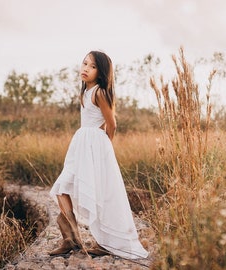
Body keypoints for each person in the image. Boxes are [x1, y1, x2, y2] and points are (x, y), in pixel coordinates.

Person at [49, 51, 148, 260]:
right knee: (61, 187)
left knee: (102, 193)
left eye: (92, 66)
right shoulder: (85, 91)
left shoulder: (100, 93)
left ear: (101, 72)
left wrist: (102, 148)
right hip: (81, 145)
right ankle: (71, 238)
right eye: (84, 63)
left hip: (95, 146)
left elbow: (111, 124)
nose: (85, 68)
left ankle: (104, 240)